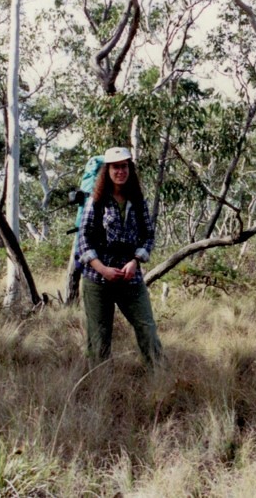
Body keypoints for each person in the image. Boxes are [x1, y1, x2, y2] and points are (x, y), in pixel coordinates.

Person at [75, 146, 162, 367]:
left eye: (124, 167)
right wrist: (102, 268)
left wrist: (136, 261)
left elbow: (148, 236)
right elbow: (83, 238)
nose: (120, 171)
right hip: (97, 278)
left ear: (129, 169)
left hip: (129, 276)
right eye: (115, 167)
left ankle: (160, 378)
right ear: (108, 170)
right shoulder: (96, 200)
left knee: (147, 327)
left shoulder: (138, 201)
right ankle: (100, 386)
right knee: (99, 337)